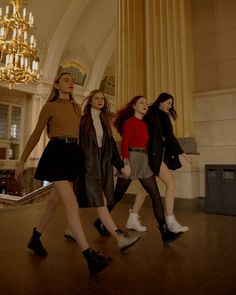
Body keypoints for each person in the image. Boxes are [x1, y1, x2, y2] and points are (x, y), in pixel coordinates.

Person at [15, 73, 111, 275]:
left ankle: (35, 238)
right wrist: (22, 160)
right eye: (66, 80)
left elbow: (86, 135)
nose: (71, 82)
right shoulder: (50, 106)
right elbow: (35, 134)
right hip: (57, 153)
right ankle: (89, 256)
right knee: (72, 204)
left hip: (74, 155)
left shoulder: (77, 108)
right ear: (57, 85)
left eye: (71, 80)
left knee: (52, 203)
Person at [94, 96, 180, 243]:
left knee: (155, 196)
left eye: (146, 103)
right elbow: (125, 144)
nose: (145, 105)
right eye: (141, 103)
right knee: (117, 195)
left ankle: (165, 232)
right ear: (133, 106)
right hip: (131, 159)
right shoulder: (130, 122)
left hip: (144, 160)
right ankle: (100, 221)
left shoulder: (145, 124)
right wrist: (126, 164)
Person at [72, 89, 140, 252]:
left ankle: (69, 229)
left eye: (102, 98)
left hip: (103, 165)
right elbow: (78, 145)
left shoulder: (104, 121)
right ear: (90, 101)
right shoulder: (83, 121)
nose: (100, 100)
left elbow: (111, 147)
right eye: (96, 98)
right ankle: (119, 237)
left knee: (74, 202)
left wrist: (120, 165)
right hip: (88, 166)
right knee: (101, 201)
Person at [127, 92, 192, 233]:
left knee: (144, 189)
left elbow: (166, 137)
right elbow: (168, 136)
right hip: (151, 156)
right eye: (168, 103)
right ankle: (170, 220)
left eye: (171, 104)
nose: (170, 106)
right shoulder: (154, 114)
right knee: (171, 183)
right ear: (161, 102)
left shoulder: (159, 115)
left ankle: (132, 218)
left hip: (152, 156)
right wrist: (182, 153)